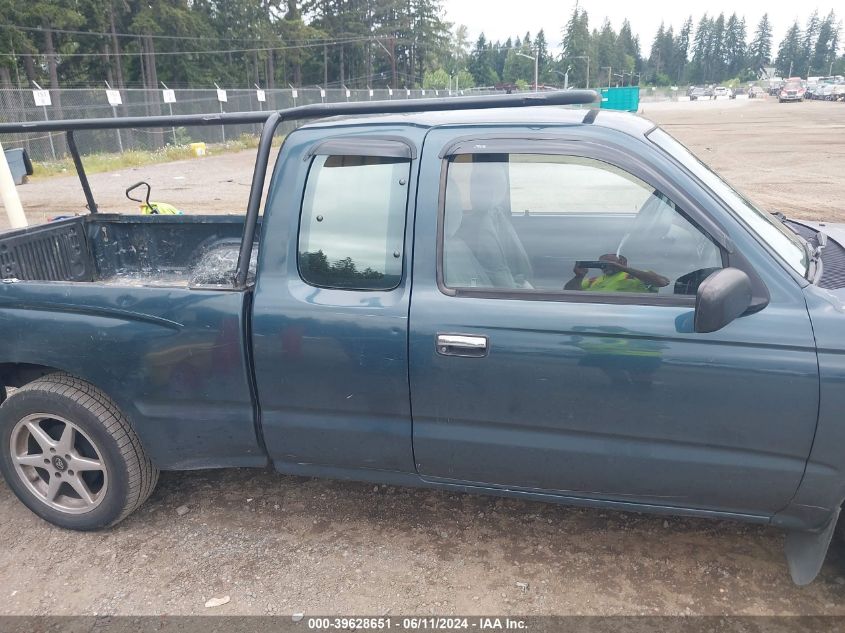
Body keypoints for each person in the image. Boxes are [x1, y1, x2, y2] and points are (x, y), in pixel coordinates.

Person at [564, 253, 669, 293]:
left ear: (623, 262)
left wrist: (623, 269)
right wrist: (579, 276)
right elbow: (568, 293)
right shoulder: (592, 280)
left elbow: (663, 282)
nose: (605, 265)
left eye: (609, 262)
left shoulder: (635, 276)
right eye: (601, 263)